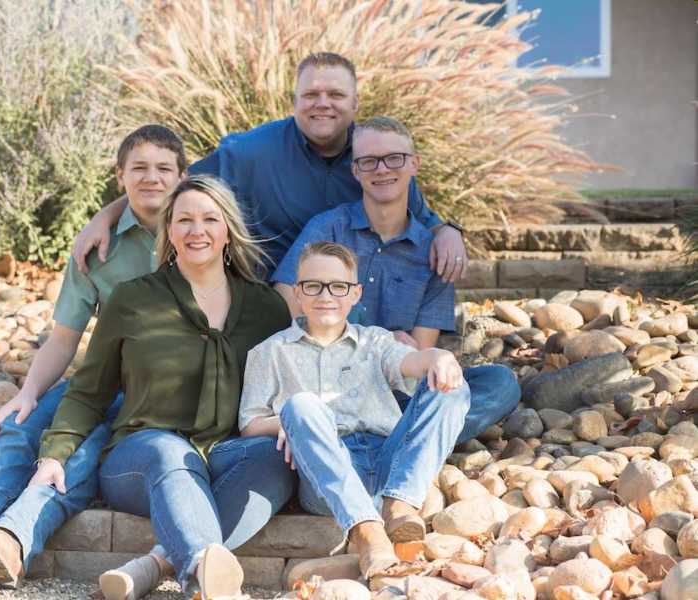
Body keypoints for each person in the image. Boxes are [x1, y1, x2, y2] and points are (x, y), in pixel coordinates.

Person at [0, 125, 188, 589]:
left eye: (164, 169)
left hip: (154, 396)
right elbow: (65, 337)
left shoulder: (198, 234)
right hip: (98, 381)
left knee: (82, 452)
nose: (152, 178)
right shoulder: (97, 247)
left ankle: (10, 540)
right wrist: (27, 393)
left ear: (182, 175)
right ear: (119, 176)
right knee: (19, 427)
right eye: (139, 169)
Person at [33, 174, 295, 599]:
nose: (197, 230)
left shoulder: (267, 308)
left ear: (228, 229)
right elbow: (89, 390)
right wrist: (54, 454)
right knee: (170, 450)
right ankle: (203, 577)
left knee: (275, 455)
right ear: (168, 230)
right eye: (185, 220)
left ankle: (158, 564)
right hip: (141, 457)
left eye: (210, 219)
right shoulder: (132, 299)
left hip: (224, 454)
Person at [270, 117, 520, 537]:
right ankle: (411, 458)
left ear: (414, 164)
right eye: (369, 161)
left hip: (395, 390)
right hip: (332, 384)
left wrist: (410, 357)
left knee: (496, 383)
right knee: (313, 406)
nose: (382, 169)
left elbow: (419, 352)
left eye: (394, 159)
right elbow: (285, 293)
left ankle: (390, 457)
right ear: (355, 170)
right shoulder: (328, 228)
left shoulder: (433, 251)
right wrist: (373, 333)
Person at [71, 52, 469, 284]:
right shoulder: (251, 152)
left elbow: (422, 219)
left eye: (335, 94)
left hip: (358, 304)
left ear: (356, 102)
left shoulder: (376, 160)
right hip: (273, 307)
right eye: (311, 94)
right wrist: (107, 215)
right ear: (293, 100)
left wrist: (449, 231)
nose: (322, 103)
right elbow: (175, 183)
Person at [239, 241, 470, 585]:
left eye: (338, 286)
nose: (325, 295)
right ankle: (367, 533)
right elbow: (248, 424)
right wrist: (288, 422)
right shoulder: (269, 352)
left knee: (453, 385)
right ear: (299, 294)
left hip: (391, 461)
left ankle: (400, 506)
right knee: (301, 404)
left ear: (356, 294)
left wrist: (437, 357)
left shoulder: (374, 341)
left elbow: (411, 362)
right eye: (313, 286)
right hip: (328, 470)